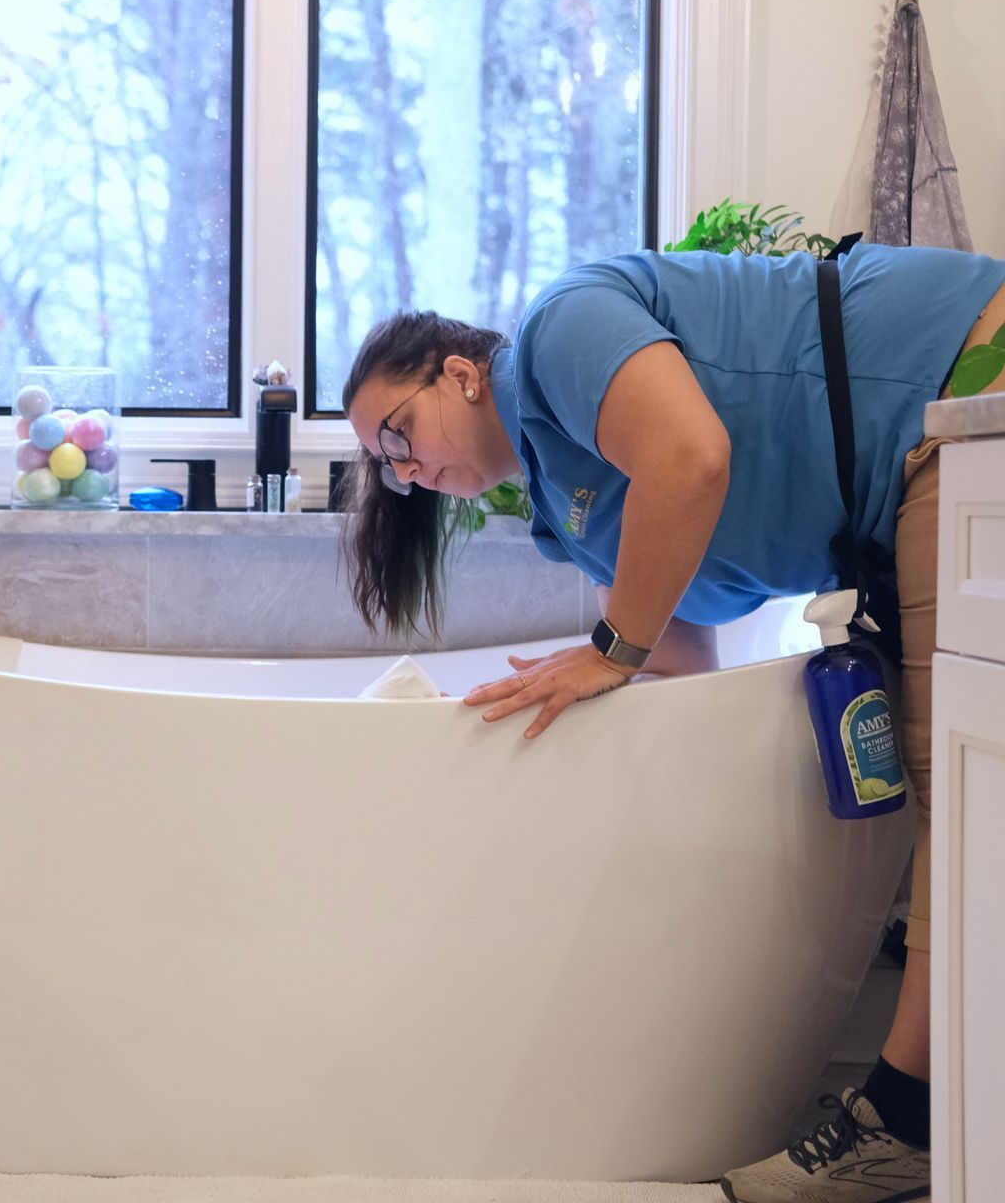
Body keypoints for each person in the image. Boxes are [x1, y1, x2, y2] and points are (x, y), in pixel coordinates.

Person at [338, 242, 1005, 1203]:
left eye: (397, 434)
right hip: (918, 458)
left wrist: (610, 650)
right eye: (385, 466)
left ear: (460, 373)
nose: (404, 471)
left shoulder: (557, 329)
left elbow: (692, 458)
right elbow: (681, 669)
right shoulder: (577, 512)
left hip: (958, 382)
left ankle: (908, 1124)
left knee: (963, 784)